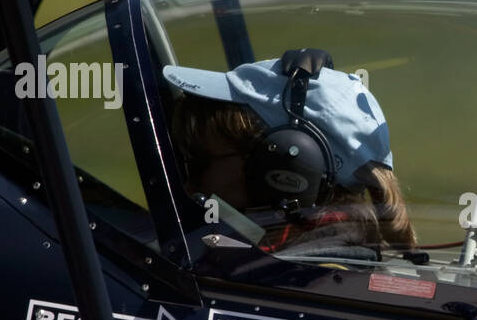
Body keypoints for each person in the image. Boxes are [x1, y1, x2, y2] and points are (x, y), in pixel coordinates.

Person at [166, 49, 416, 257]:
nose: (189, 182)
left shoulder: (295, 280)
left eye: (199, 162)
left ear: (284, 170)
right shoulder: (302, 259)